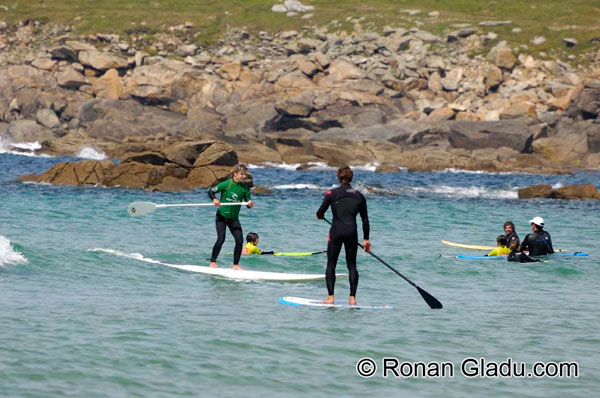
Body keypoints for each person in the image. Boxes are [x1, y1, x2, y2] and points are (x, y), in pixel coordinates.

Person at [316, 165, 370, 306]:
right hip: (352, 233)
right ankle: (352, 298)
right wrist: (366, 240)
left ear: (338, 177)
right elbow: (365, 220)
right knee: (352, 266)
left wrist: (320, 216)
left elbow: (320, 212)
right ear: (351, 177)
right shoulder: (360, 196)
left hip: (336, 232)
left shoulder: (331, 193)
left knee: (331, 264)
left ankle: (331, 297)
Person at [208, 164, 254, 269]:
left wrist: (250, 204)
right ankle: (212, 261)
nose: (243, 176)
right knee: (221, 239)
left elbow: (248, 203)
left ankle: (235, 265)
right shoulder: (226, 184)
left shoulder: (244, 188)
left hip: (234, 218)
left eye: (244, 175)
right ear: (235, 174)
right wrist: (214, 199)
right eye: (241, 174)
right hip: (222, 217)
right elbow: (210, 191)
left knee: (239, 241)